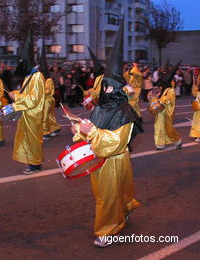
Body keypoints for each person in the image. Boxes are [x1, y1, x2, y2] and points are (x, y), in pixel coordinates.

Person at [71, 18, 142, 247]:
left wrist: (92, 133)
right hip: (97, 157)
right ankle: (124, 211)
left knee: (108, 197)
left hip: (113, 159)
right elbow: (91, 131)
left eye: (111, 87)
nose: (107, 90)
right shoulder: (100, 106)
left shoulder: (125, 110)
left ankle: (109, 230)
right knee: (106, 195)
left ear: (119, 89)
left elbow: (118, 143)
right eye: (105, 86)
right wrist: (80, 130)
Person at [8, 30, 46, 175]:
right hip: (27, 113)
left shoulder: (37, 77)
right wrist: (16, 94)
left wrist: (17, 97)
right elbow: (26, 94)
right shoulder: (29, 77)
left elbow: (34, 99)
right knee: (26, 139)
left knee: (33, 139)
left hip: (33, 114)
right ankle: (31, 161)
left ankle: (35, 163)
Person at [152, 61, 182, 150]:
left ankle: (177, 140)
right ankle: (160, 144)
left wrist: (159, 99)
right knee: (159, 127)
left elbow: (168, 101)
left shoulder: (171, 91)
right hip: (160, 111)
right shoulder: (163, 88)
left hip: (166, 112)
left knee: (168, 129)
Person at [40, 44, 61, 140]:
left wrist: (38, 91)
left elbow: (47, 91)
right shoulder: (44, 80)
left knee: (45, 116)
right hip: (47, 100)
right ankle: (54, 128)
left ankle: (45, 132)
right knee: (49, 115)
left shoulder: (48, 80)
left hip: (47, 100)